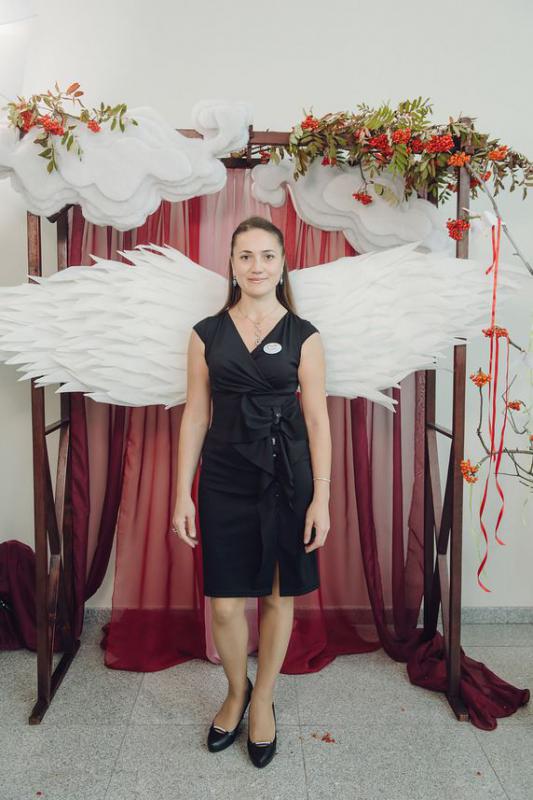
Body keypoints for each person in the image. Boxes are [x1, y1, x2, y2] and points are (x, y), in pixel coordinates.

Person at [171, 215, 331, 768]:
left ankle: (263, 700)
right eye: (246, 256)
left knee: (278, 596)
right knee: (224, 605)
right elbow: (196, 416)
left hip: (288, 477)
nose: (256, 266)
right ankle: (236, 689)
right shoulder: (205, 334)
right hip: (223, 476)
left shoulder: (305, 335)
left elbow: (318, 421)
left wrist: (322, 497)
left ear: (282, 264)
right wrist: (182, 492)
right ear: (232, 265)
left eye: (267, 255)